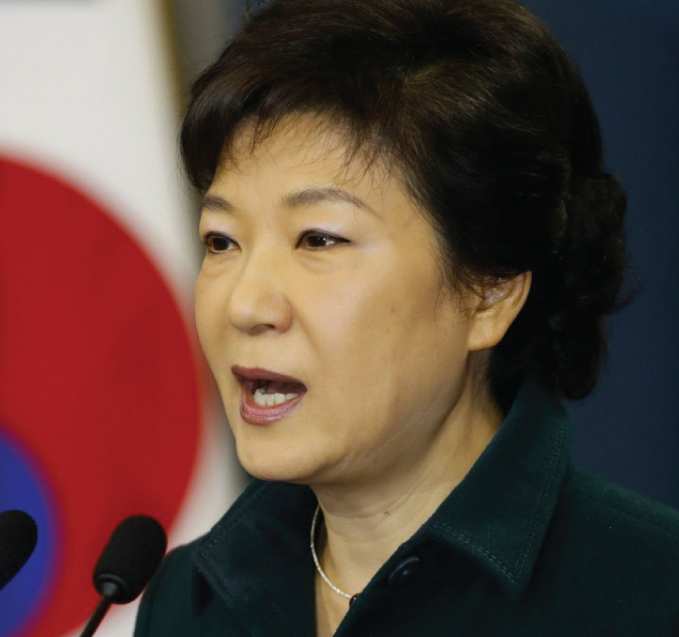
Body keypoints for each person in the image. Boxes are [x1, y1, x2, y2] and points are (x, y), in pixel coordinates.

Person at [133, 0, 679, 635]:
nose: (245, 305)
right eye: (221, 241)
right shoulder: (188, 602)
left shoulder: (650, 597)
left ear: (489, 292)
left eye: (318, 239)